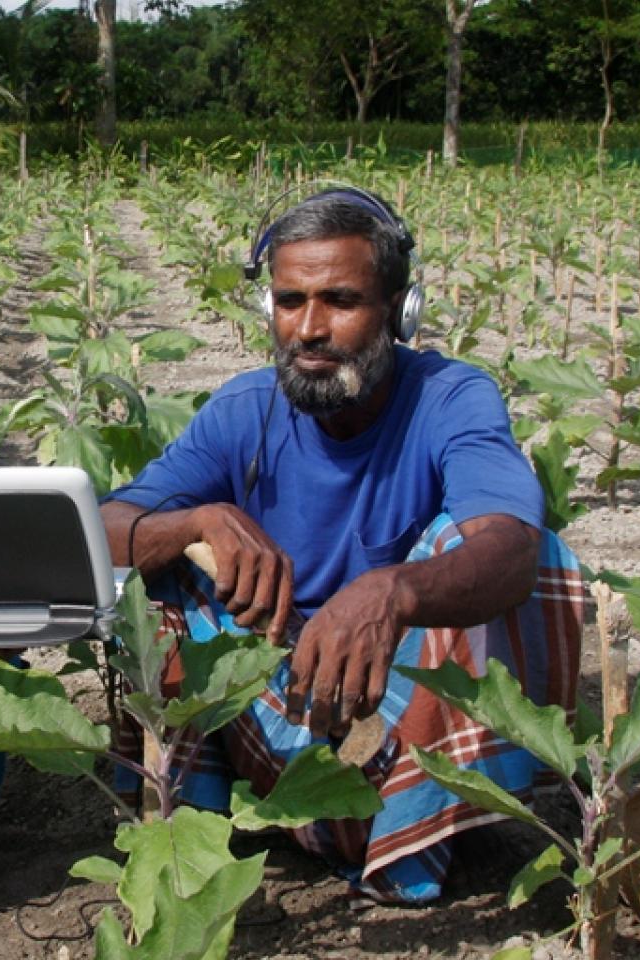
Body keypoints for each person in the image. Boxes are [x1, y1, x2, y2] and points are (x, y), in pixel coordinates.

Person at [100, 187, 582, 906]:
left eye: (341, 300)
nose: (309, 328)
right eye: (289, 301)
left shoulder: (451, 398)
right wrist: (199, 521)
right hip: (277, 706)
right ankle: (194, 815)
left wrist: (392, 591)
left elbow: (510, 550)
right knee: (153, 565)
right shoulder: (242, 410)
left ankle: (406, 829)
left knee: (527, 554)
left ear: (398, 309)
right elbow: (104, 524)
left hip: (402, 707)